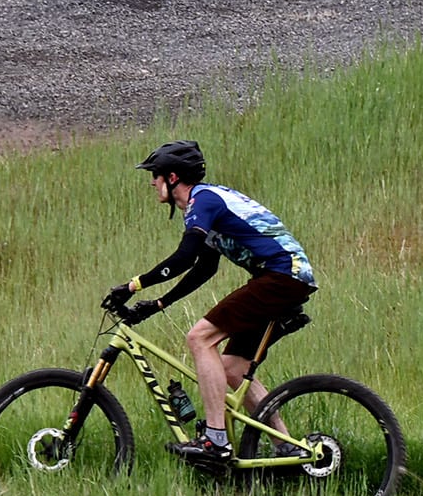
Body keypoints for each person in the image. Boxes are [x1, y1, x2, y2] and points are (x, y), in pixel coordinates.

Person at [103, 140, 316, 468]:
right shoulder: (208, 205)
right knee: (232, 367)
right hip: (282, 277)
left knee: (200, 337)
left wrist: (133, 285)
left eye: (155, 175)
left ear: (173, 178)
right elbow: (204, 268)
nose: (151, 182)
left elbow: (185, 257)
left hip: (280, 275)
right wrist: (158, 303)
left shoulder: (203, 200)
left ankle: (216, 440)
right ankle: (288, 449)